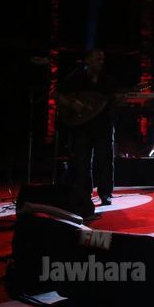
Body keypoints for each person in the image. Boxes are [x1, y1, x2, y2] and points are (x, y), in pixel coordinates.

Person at [56, 49, 117, 205]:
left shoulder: (107, 81)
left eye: (102, 59)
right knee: (81, 163)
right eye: (97, 59)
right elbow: (57, 94)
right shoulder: (75, 79)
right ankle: (83, 194)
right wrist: (72, 104)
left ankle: (105, 193)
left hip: (103, 126)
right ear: (88, 61)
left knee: (104, 161)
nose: (101, 62)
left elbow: (114, 100)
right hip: (81, 127)